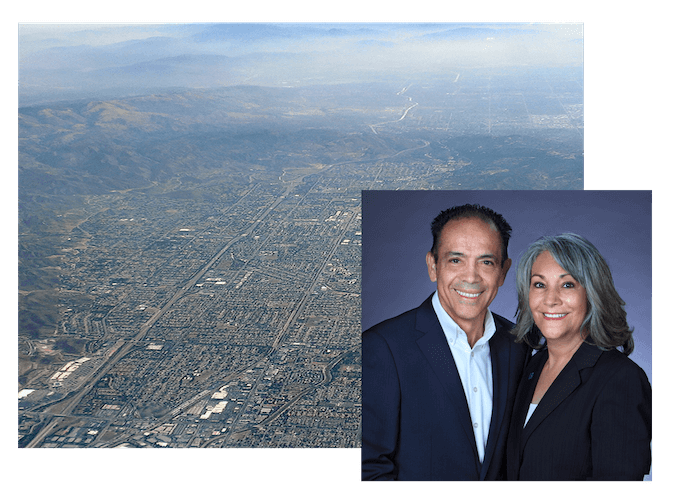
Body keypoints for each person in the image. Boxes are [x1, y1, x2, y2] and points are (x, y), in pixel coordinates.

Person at [361, 204, 530, 481]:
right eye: (456, 260)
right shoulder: (383, 349)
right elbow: (369, 468)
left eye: (486, 262)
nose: (471, 277)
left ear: (503, 271)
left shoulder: (519, 345)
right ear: (432, 265)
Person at [507, 233, 652, 481]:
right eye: (539, 284)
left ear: (592, 293)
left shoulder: (620, 379)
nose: (550, 300)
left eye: (567, 284)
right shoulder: (529, 367)